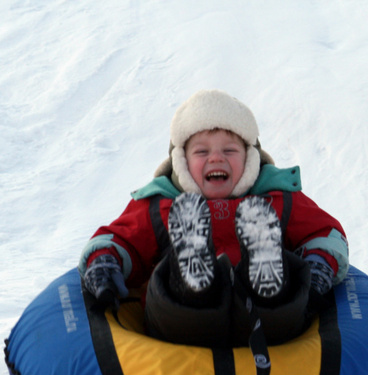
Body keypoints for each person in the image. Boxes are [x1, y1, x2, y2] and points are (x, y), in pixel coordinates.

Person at [78, 89, 349, 348]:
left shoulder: (275, 199)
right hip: (181, 321)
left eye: (229, 150)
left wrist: (318, 266)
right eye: (201, 152)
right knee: (175, 300)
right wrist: (104, 261)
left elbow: (324, 233)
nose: (216, 158)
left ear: (251, 159)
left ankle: (264, 275)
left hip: (264, 319)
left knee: (283, 301)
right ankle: (190, 278)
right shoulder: (161, 204)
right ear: (181, 162)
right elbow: (121, 237)